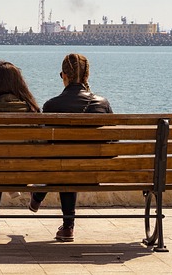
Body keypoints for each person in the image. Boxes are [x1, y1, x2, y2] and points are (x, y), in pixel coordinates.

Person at [28, 53, 113, 242]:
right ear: (86, 76)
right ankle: (66, 226)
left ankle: (49, 205)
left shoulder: (51, 105)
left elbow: (44, 147)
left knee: (64, 161)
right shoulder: (102, 104)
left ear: (64, 76)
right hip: (96, 174)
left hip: (63, 170)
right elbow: (113, 143)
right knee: (70, 162)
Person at [0, 61, 40, 239]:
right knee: (3, 165)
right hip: (22, 174)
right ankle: (13, 186)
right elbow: (40, 146)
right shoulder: (32, 112)